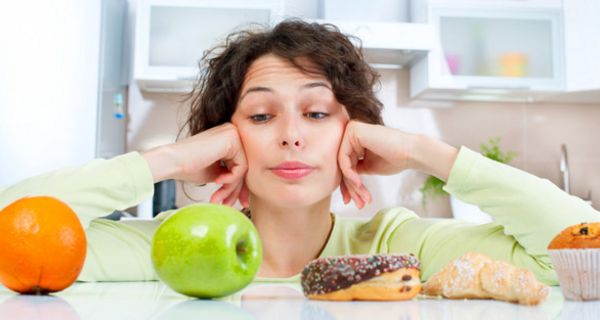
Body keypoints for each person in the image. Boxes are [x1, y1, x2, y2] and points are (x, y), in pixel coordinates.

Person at [1, 20, 598, 284]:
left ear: (355, 139)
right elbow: (10, 236)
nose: (291, 134)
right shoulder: (171, 250)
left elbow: (581, 249)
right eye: (261, 116)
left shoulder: (397, 248)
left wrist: (423, 151)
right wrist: (168, 159)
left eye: (317, 114)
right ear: (226, 144)